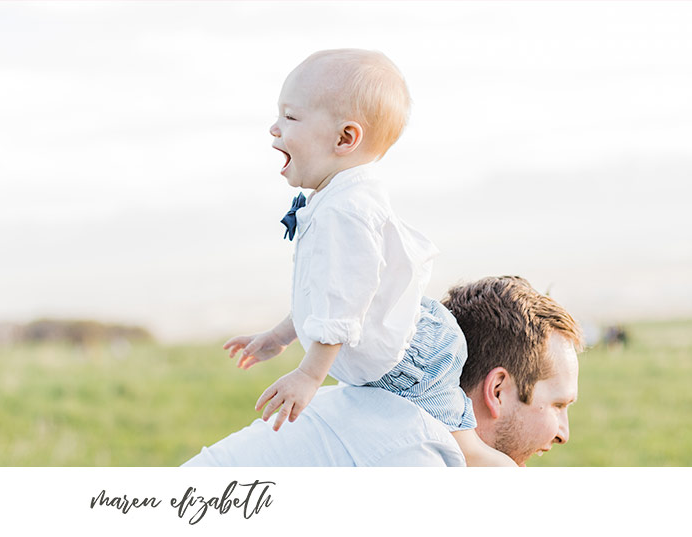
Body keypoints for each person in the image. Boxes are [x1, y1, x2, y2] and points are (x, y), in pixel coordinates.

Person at [225, 49, 509, 465]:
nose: (274, 127)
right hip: (393, 350)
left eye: (291, 117)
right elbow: (321, 290)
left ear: (345, 138)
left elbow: (345, 299)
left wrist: (309, 375)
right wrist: (281, 335)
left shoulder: (347, 210)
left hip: (413, 360)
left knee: (467, 454)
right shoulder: (334, 197)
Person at [185, 276, 583, 466]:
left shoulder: (365, 406)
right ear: (497, 390)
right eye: (559, 405)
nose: (565, 432)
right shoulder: (413, 453)